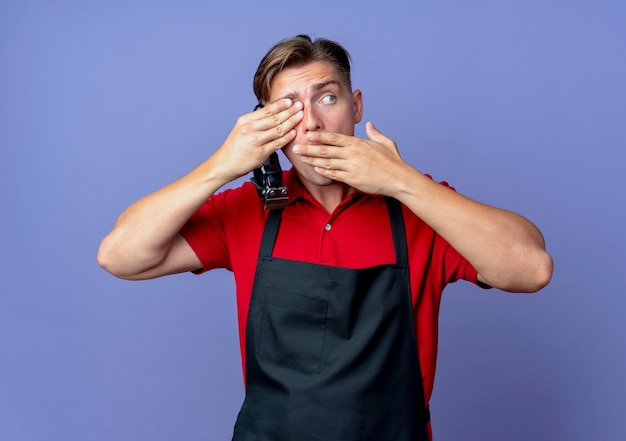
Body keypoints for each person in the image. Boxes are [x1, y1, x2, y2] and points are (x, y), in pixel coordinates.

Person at [98, 34, 553, 441]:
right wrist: (221, 165)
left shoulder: (420, 206)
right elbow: (120, 256)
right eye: (290, 109)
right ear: (266, 127)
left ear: (356, 105)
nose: (312, 123)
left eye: (327, 98)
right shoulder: (245, 211)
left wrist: (403, 182)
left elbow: (531, 268)